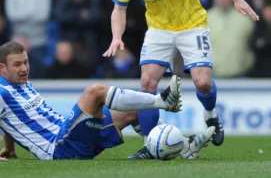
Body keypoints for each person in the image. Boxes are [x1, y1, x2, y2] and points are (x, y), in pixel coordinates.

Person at [103, 0, 259, 159]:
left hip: (192, 23)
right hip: (158, 28)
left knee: (203, 82)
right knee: (147, 83)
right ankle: (150, 144)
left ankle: (210, 116)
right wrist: (116, 37)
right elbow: (118, 9)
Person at [0, 41, 212, 161]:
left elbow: (7, 119)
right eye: (17, 64)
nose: (25, 68)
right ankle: (163, 101)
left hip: (71, 138)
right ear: (2, 68)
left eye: (26, 62)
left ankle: (185, 147)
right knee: (94, 92)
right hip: (59, 149)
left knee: (135, 110)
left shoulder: (20, 83)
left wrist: (9, 150)